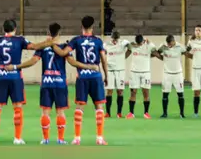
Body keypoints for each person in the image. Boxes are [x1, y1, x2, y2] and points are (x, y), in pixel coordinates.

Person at [10, 22, 98, 145]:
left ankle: (45, 139)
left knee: (45, 112)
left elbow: (33, 61)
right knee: (60, 112)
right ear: (59, 34)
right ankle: (60, 139)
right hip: (60, 84)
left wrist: (16, 66)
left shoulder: (43, 48)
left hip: (46, 83)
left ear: (48, 33)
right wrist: (89, 66)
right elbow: (73, 62)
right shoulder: (64, 47)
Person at [67, 16, 109, 145]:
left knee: (80, 107)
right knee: (99, 106)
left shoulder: (76, 40)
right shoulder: (97, 41)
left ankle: (77, 138)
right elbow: (103, 59)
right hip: (95, 76)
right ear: (92, 27)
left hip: (82, 76)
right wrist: (106, 75)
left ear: (81, 26)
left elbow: (65, 53)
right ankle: (99, 138)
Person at [153, 35, 186, 118]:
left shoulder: (180, 47)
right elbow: (158, 52)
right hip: (167, 73)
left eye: (170, 44)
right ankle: (165, 113)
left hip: (178, 73)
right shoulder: (163, 46)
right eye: (168, 44)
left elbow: (186, 52)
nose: (169, 45)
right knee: (165, 94)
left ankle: (182, 113)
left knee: (180, 94)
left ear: (174, 41)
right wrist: (163, 58)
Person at [126, 35, 153, 118]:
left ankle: (146, 113)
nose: (139, 45)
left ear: (143, 41)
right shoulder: (132, 46)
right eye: (137, 43)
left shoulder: (149, 46)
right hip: (134, 72)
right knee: (133, 92)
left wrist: (149, 42)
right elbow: (126, 54)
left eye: (140, 43)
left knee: (146, 93)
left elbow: (156, 51)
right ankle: (131, 113)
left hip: (145, 73)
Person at [104, 31, 128, 118]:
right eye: (113, 38)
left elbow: (131, 48)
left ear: (119, 38)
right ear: (111, 38)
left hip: (120, 71)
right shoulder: (106, 45)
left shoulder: (123, 43)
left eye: (116, 38)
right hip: (110, 70)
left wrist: (124, 57)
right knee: (109, 91)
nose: (115, 40)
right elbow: (102, 53)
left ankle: (119, 113)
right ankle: (108, 113)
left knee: (120, 91)